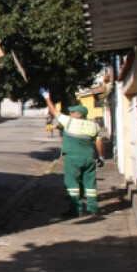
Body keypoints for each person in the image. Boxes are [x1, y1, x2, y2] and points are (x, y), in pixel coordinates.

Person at [41, 89, 105, 217]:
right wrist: (101, 157)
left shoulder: (69, 121)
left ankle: (76, 210)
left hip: (73, 159)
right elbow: (99, 143)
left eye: (72, 112)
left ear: (79, 114)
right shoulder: (94, 126)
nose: (70, 113)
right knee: (90, 185)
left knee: (72, 184)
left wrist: (47, 97)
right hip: (89, 159)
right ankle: (93, 209)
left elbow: (54, 111)